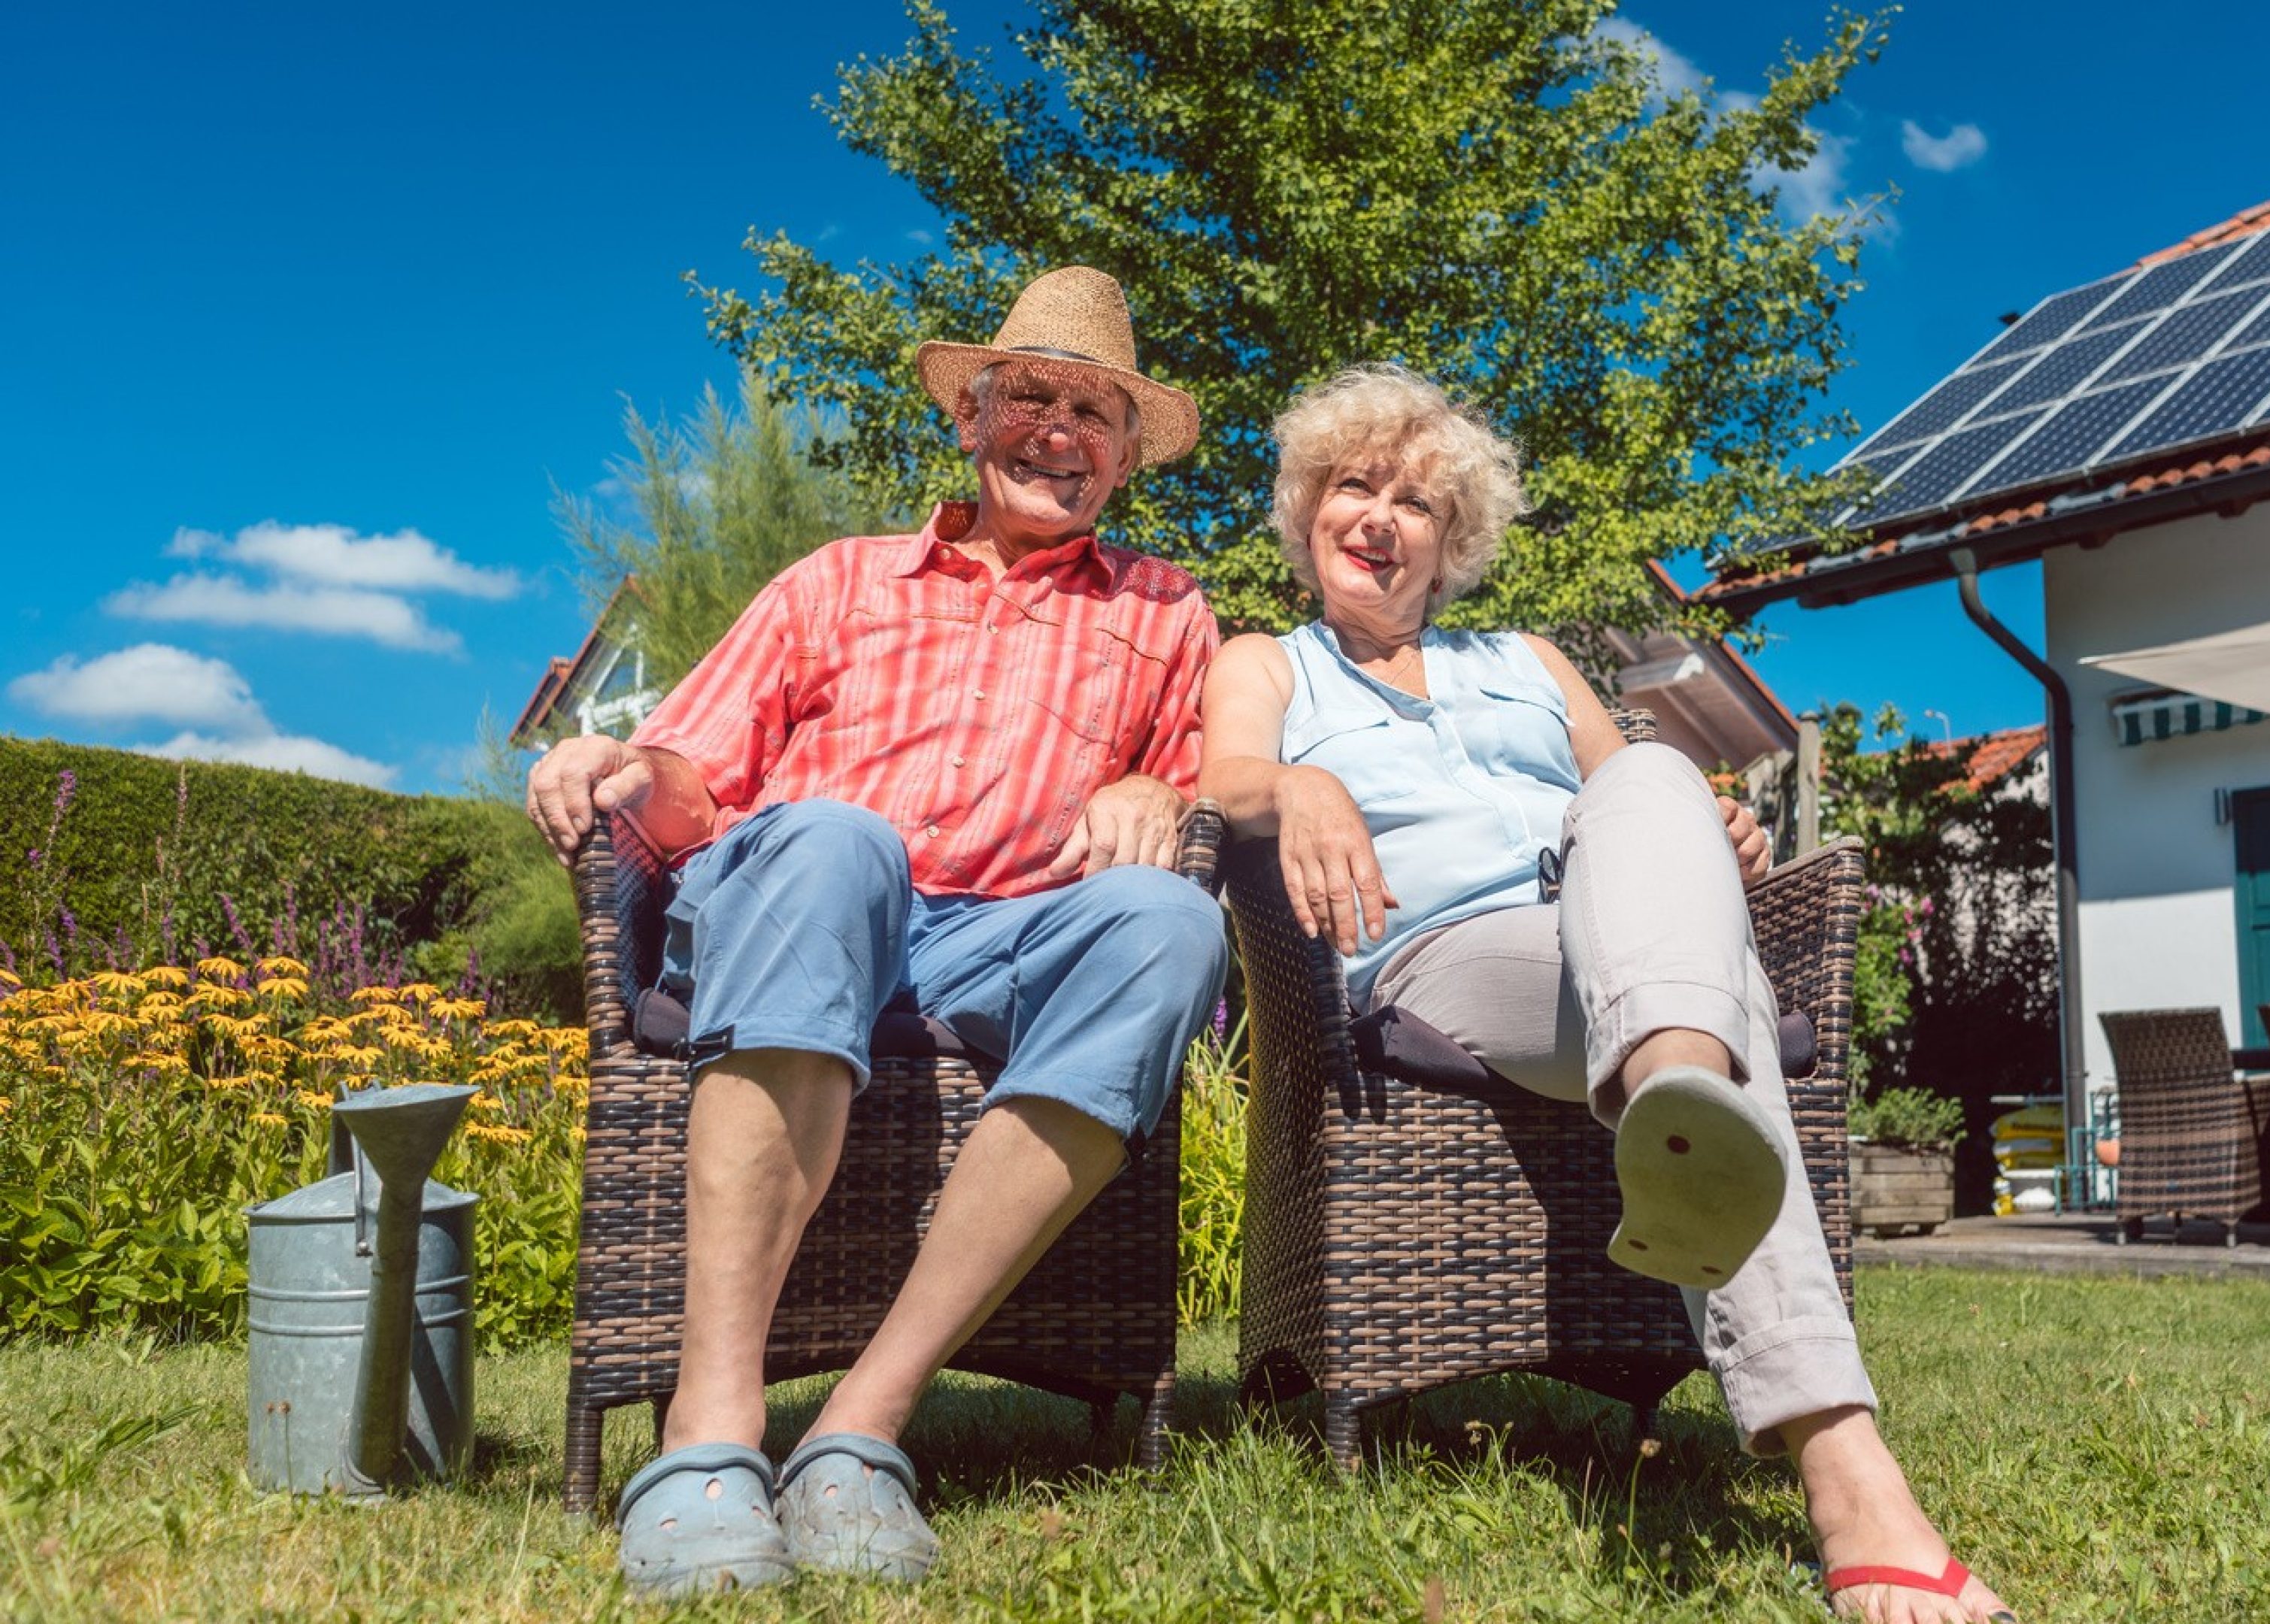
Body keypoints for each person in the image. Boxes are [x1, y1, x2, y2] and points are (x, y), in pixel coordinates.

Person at [1196, 365, 2017, 1624]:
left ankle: (1681, 1108)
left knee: (1651, 782)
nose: (1381, 517)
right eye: (1353, 486)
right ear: (1308, 515)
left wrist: (1710, 832)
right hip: (1438, 963)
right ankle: (1844, 1463)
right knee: (1707, 953)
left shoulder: (1525, 660)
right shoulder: (1272, 664)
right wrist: (1297, 787)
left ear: (1450, 538)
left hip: (1614, 949)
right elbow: (1221, 786)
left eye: (1414, 500)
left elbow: (1632, 800)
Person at [524, 267, 1229, 1598]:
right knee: (845, 836)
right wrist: (616, 761)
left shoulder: (1167, 612)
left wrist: (1156, 788)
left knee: (1169, 920)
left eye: (1097, 412)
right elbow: (696, 777)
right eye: (1032, 396)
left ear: (1128, 456)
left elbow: (1206, 782)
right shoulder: (837, 580)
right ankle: (709, 1432)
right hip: (803, 903)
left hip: (1004, 940)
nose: (1061, 431)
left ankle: (862, 1426)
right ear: (971, 414)